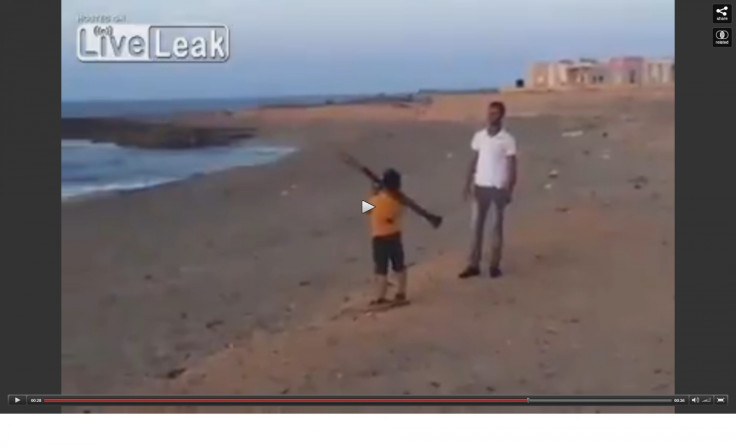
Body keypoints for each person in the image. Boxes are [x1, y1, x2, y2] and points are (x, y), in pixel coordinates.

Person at [459, 101, 518, 279]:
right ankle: (473, 264)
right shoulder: (479, 137)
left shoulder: (507, 139)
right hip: (480, 186)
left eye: (495, 113)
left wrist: (510, 188)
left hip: (498, 188)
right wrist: (467, 183)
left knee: (495, 228)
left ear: (502, 116)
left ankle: (494, 265)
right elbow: (474, 160)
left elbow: (512, 166)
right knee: (475, 227)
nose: (491, 116)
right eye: (490, 113)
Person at [367, 168, 408, 304]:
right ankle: (401, 293)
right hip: (395, 236)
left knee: (381, 269)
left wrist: (373, 193)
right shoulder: (398, 202)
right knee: (399, 266)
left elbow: (364, 210)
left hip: (379, 238)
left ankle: (380, 297)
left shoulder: (375, 200)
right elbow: (399, 212)